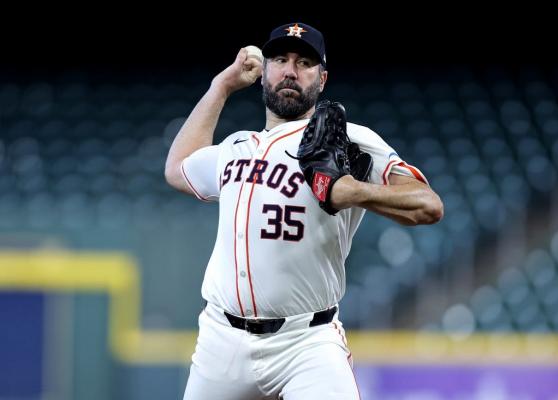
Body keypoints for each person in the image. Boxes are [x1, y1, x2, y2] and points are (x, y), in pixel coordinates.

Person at [165, 22, 443, 400]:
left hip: (306, 343)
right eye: (279, 59)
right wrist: (222, 86)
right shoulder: (237, 146)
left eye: (304, 62)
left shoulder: (346, 139)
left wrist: (352, 190)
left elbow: (428, 205)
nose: (290, 70)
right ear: (264, 72)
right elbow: (178, 167)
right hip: (221, 341)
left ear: (322, 78)